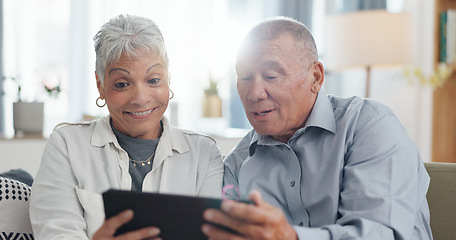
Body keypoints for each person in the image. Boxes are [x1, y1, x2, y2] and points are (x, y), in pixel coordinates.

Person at [202, 16, 432, 240]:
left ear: (316, 77)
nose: (254, 93)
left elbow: (379, 234)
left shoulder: (369, 126)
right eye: (244, 77)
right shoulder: (237, 164)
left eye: (271, 76)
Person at [30, 14, 224, 239]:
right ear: (100, 85)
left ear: (168, 78)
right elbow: (55, 233)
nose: (141, 98)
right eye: (122, 84)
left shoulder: (205, 154)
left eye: (153, 80)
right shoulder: (67, 145)